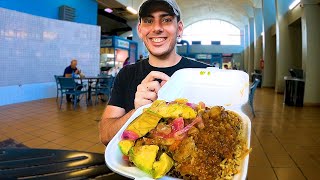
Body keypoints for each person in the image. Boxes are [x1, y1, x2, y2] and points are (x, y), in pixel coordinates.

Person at [99, 0, 210, 145]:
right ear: (140, 30)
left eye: (166, 20)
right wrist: (138, 112)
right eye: (148, 20)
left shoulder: (204, 74)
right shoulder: (127, 74)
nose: (157, 28)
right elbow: (105, 136)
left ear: (180, 28)